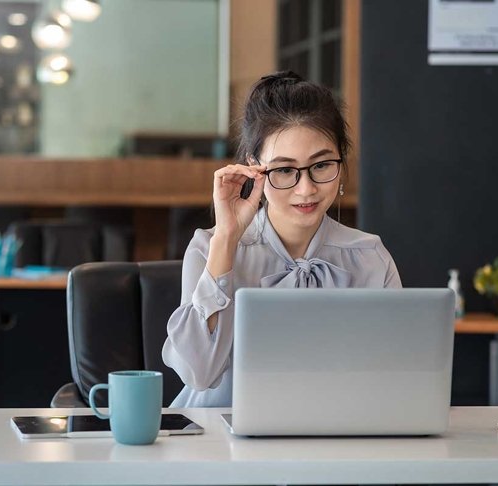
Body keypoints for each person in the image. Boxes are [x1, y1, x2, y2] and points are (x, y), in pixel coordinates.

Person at [162, 71, 402, 408]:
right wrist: (227, 239)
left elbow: (395, 376)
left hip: (334, 435)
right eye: (285, 170)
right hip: (218, 438)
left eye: (321, 165)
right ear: (254, 170)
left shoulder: (369, 256)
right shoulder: (210, 246)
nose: (306, 189)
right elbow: (197, 373)